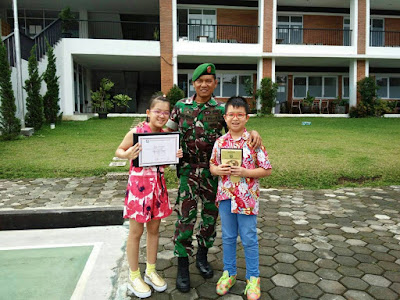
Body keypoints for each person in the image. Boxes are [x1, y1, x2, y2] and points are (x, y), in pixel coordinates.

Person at [165, 63, 262, 292]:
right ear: (193, 83)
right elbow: (165, 133)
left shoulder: (220, 111)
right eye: (200, 80)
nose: (204, 84)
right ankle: (182, 266)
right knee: (185, 219)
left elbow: (237, 128)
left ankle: (202, 258)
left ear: (215, 83)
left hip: (213, 173)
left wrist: (255, 132)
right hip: (188, 172)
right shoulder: (180, 107)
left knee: (209, 218)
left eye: (209, 81)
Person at [115, 95, 183, 298]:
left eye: (165, 112)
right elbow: (119, 150)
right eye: (157, 111)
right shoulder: (137, 132)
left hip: (158, 188)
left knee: (154, 230)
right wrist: (126, 155)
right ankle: (134, 275)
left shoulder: (166, 135)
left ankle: (151, 271)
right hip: (139, 188)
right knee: (135, 232)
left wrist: (175, 155)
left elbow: (164, 160)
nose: (161, 115)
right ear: (148, 112)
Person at [210, 96, 272, 300]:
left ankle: (253, 277)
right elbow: (212, 166)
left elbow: (266, 170)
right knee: (227, 236)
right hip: (226, 196)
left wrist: (246, 172)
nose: (235, 119)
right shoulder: (220, 142)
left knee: (248, 237)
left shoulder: (253, 141)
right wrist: (218, 169)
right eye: (231, 115)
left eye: (240, 115)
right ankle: (229, 273)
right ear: (225, 117)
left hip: (247, 198)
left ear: (247, 118)